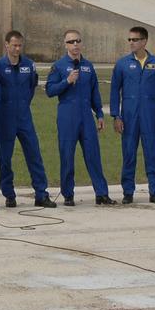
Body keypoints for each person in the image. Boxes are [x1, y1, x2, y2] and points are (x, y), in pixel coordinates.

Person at [45, 29, 116, 207]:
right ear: (65, 45)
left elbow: (95, 93)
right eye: (71, 42)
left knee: (93, 155)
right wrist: (66, 81)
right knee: (67, 155)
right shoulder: (59, 66)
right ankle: (68, 194)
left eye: (77, 41)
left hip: (86, 116)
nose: (75, 44)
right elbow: (49, 90)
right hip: (67, 116)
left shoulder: (88, 66)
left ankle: (101, 194)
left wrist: (99, 114)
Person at [110, 26, 155, 204]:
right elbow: (115, 90)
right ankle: (128, 192)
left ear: (144, 41)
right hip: (128, 115)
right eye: (129, 40)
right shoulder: (122, 64)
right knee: (128, 153)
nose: (131, 43)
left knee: (152, 153)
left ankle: (154, 192)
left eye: (135, 40)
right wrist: (116, 116)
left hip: (150, 114)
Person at [0, 30, 54, 208]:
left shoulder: (29, 65)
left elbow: (31, 87)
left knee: (34, 155)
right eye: (14, 45)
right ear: (6, 45)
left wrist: (23, 104)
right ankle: (9, 195)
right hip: (5, 118)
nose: (17, 49)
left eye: (20, 45)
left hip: (24, 117)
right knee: (5, 158)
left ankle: (41, 194)